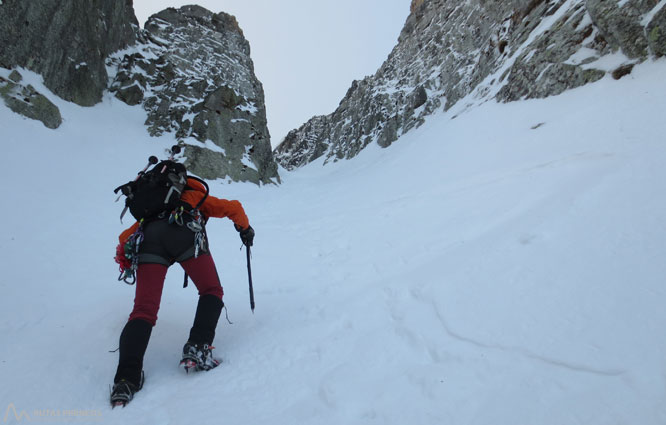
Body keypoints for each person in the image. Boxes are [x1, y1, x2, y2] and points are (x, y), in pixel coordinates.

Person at [110, 175, 255, 407]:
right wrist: (245, 229)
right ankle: (197, 348)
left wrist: (126, 257)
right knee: (211, 290)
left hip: (149, 239)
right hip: (184, 233)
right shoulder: (194, 195)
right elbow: (233, 207)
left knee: (143, 311)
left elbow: (123, 238)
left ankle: (126, 380)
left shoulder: (152, 211)